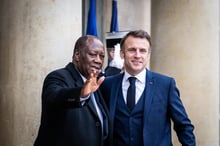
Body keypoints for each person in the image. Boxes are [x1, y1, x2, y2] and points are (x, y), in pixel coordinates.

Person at [100, 30, 196, 146]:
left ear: (148, 55)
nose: (137, 55)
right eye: (132, 50)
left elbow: (183, 126)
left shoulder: (166, 85)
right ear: (122, 54)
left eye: (142, 51)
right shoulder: (107, 84)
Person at [34, 35, 112, 146]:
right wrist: (81, 94)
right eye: (93, 54)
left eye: (102, 56)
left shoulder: (96, 83)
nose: (98, 60)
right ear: (77, 55)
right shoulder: (57, 77)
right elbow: (56, 97)